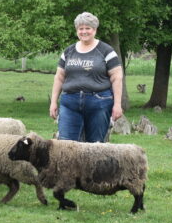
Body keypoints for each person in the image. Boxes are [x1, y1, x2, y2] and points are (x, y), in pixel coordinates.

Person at [49, 12, 123, 142]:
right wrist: (53, 102)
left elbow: (117, 77)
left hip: (99, 102)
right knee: (66, 146)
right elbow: (59, 77)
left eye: (87, 28)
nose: (84, 32)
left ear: (94, 30)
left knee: (95, 147)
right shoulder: (68, 51)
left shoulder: (106, 51)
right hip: (69, 103)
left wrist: (117, 104)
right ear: (77, 30)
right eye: (80, 29)